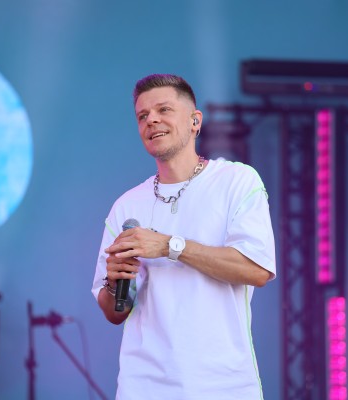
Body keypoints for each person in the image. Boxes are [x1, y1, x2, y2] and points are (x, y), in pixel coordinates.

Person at [91, 74, 276, 400]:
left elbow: (257, 269)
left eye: (163, 110)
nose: (151, 120)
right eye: (142, 116)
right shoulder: (126, 206)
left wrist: (169, 246)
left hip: (224, 387)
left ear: (195, 121)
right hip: (143, 388)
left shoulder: (237, 181)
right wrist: (113, 282)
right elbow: (113, 312)